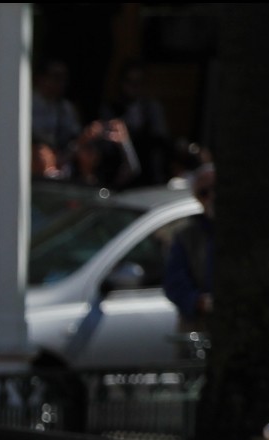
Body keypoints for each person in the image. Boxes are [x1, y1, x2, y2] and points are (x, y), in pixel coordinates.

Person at [163, 164, 214, 334]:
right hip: (200, 327)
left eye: (216, 188)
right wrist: (198, 302)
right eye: (204, 193)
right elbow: (174, 282)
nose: (212, 197)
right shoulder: (186, 235)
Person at [101, 62, 169, 188]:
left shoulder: (151, 109)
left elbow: (160, 140)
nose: (133, 87)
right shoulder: (111, 109)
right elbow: (106, 147)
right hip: (119, 173)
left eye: (138, 83)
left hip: (148, 174)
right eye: (129, 82)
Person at [31, 59, 81, 163]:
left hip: (59, 161)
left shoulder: (66, 108)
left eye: (64, 78)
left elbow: (75, 135)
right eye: (56, 77)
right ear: (41, 78)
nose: (61, 83)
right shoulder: (26, 104)